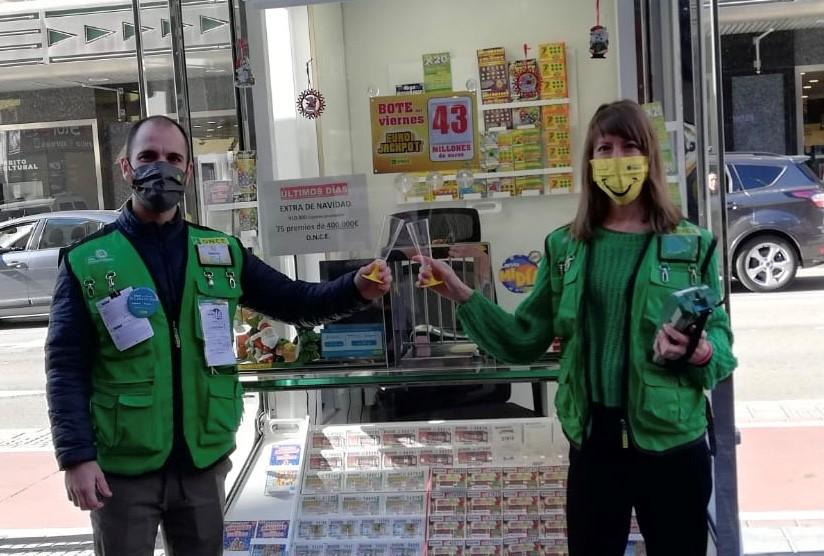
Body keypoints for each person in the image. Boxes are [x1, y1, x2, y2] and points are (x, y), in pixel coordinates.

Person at [45, 115, 392, 555]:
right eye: (148, 157)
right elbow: (65, 368)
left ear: (188, 171)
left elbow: (296, 302)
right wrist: (76, 457)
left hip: (201, 462)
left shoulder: (220, 251)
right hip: (123, 466)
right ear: (126, 168)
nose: (162, 168)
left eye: (174, 159)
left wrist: (356, 288)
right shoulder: (87, 259)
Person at [416, 100, 737, 556]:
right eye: (604, 147)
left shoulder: (692, 244)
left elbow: (722, 345)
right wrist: (464, 298)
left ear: (649, 157)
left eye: (629, 146)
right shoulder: (565, 245)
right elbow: (523, 338)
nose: (616, 159)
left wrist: (702, 351)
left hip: (672, 441)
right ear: (590, 161)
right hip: (593, 442)